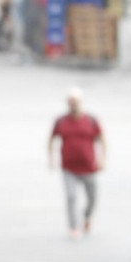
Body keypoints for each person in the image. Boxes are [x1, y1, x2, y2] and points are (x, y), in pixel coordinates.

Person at [48, 87, 105, 240]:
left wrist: (102, 159)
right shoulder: (61, 121)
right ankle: (73, 226)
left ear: (80, 102)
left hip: (88, 167)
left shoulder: (91, 120)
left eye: (75, 101)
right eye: (70, 101)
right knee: (71, 197)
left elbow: (101, 140)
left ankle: (86, 217)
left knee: (92, 198)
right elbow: (51, 139)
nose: (73, 104)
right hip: (69, 168)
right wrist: (51, 159)